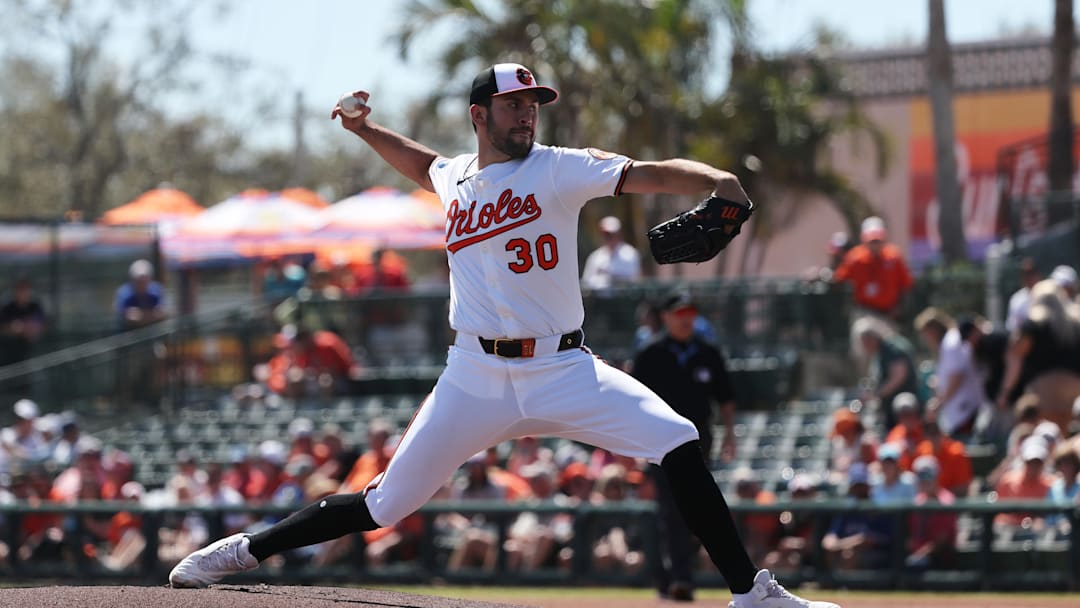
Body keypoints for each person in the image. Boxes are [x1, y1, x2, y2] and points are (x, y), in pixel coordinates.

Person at [168, 62, 838, 608]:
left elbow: (648, 172)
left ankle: (751, 594)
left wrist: (718, 180)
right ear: (479, 115)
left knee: (679, 440)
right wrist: (364, 129)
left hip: (564, 369)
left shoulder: (558, 167)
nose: (526, 113)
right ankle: (235, 553)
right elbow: (418, 161)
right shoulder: (454, 176)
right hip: (474, 377)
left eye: (532, 103)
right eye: (513, 103)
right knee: (384, 506)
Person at [631, 290, 737, 600]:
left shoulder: (708, 353)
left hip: (698, 437)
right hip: (657, 438)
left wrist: (730, 434)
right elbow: (633, 399)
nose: (686, 318)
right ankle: (678, 577)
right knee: (670, 509)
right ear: (665, 317)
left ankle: (678, 576)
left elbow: (725, 399)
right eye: (679, 313)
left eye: (690, 312)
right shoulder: (650, 353)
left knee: (697, 508)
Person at [997, 279, 1080, 432]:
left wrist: (1005, 392)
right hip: (1075, 387)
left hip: (1044, 387)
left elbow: (1015, 359)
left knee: (1046, 434)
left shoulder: (1033, 323)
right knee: (1067, 433)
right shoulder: (1075, 322)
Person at [914, 308, 985, 439]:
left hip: (964, 408)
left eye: (926, 334)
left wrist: (939, 402)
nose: (926, 339)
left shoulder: (950, 343)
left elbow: (957, 376)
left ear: (933, 330)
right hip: (959, 408)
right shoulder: (948, 342)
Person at [832, 216, 914, 320]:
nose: (875, 245)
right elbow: (839, 279)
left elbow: (906, 285)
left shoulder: (894, 256)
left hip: (890, 313)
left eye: (877, 241)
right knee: (864, 330)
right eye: (872, 241)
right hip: (864, 312)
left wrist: (901, 308)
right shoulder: (855, 258)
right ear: (864, 239)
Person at [851, 316, 918, 430]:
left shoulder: (892, 349)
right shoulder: (880, 353)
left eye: (864, 342)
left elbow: (899, 376)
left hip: (904, 410)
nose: (864, 347)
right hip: (891, 409)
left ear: (870, 339)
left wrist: (876, 394)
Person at [581, 215, 642, 290]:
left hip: (623, 299)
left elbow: (633, 280)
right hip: (599, 300)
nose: (610, 238)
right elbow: (587, 282)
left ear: (619, 234)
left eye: (613, 234)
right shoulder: (595, 257)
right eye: (607, 235)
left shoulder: (630, 254)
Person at [0, 277, 46, 366]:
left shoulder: (35, 306)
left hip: (33, 351)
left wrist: (32, 328)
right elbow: (2, 327)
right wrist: (12, 328)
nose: (23, 293)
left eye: (25, 289)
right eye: (20, 289)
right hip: (10, 352)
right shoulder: (7, 308)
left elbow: (44, 323)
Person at [114, 259, 166, 331]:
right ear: (132, 280)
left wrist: (140, 315)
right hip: (129, 333)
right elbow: (127, 317)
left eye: (144, 280)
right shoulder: (124, 292)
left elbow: (162, 313)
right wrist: (151, 314)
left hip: (154, 332)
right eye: (138, 281)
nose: (142, 283)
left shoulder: (156, 289)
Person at [1005, 258, 1041, 333]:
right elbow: (1012, 328)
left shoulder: (1048, 295)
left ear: (1038, 274)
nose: (1029, 278)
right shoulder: (1017, 299)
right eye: (1025, 274)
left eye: (1031, 273)